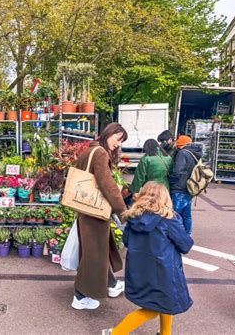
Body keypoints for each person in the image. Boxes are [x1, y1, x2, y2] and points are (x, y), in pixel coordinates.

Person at [103, 182, 193, 335]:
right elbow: (185, 245)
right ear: (165, 198)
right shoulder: (169, 220)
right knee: (156, 307)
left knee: (164, 303)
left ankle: (165, 333)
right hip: (164, 273)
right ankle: (116, 333)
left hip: (139, 271)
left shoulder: (133, 219)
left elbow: (126, 241)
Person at [72, 123, 128, 310]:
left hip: (86, 208)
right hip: (95, 212)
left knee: (97, 250)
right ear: (109, 133)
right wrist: (123, 210)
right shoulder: (101, 154)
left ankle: (111, 284)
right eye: (117, 138)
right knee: (93, 253)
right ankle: (80, 296)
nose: (118, 144)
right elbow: (107, 184)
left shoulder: (89, 151)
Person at [169, 135, 202, 235]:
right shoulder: (195, 153)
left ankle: (177, 235)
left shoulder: (182, 153)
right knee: (187, 214)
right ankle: (188, 234)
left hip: (179, 188)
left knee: (176, 213)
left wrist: (170, 180)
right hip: (190, 187)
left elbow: (177, 171)